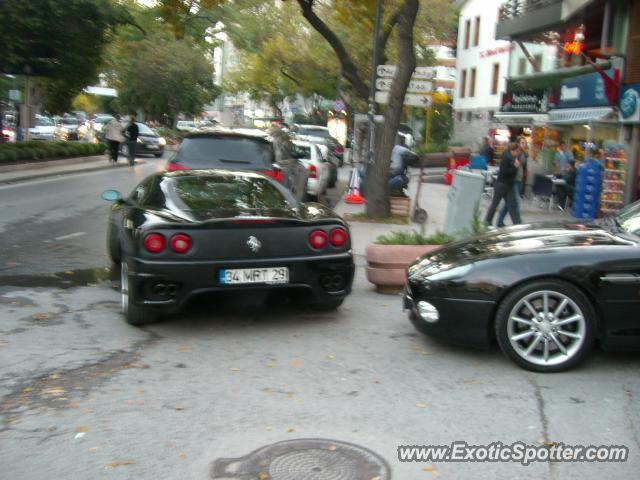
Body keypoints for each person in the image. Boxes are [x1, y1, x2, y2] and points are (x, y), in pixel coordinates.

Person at [485, 143, 522, 226]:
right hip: (502, 184)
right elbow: (504, 172)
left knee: (512, 205)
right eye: (516, 151)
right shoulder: (507, 158)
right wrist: (514, 167)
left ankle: (517, 223)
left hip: (509, 185)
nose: (518, 153)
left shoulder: (512, 158)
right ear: (511, 150)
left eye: (518, 151)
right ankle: (487, 222)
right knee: (495, 204)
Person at [497, 136, 528, 227]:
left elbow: (523, 167)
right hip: (513, 180)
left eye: (524, 142)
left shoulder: (524, 154)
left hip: (519, 180)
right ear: (517, 143)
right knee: (516, 202)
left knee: (508, 204)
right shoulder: (514, 153)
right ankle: (518, 223)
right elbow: (510, 164)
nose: (524, 144)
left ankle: (499, 222)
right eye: (522, 142)